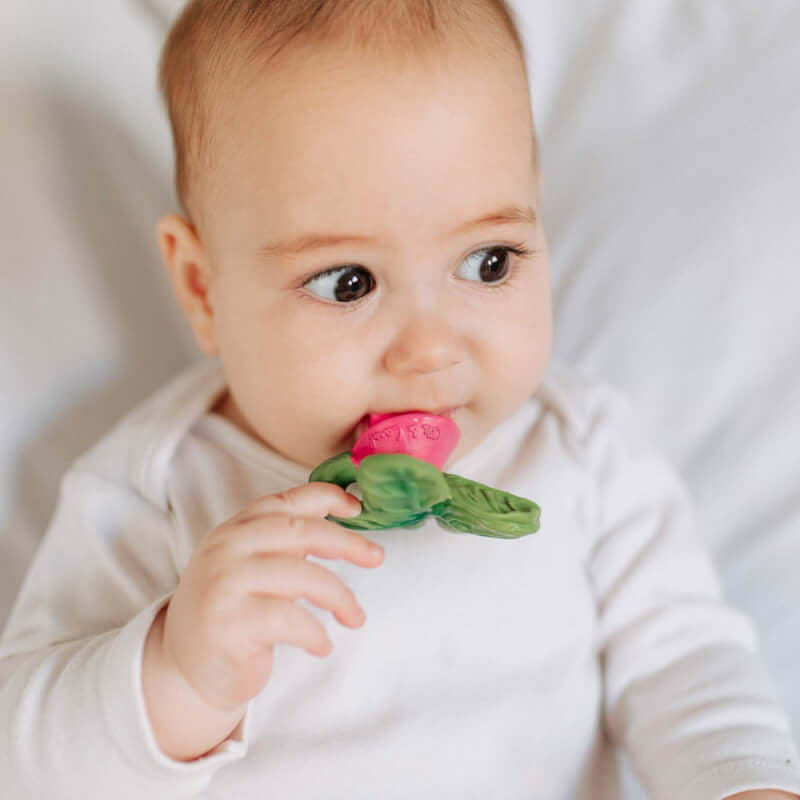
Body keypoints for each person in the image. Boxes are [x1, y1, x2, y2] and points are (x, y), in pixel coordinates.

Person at [1, 1, 799, 798]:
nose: (430, 349)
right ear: (203, 289)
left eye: (489, 262)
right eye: (348, 283)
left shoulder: (579, 449)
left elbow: (685, 662)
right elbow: (27, 762)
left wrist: (740, 783)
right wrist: (174, 674)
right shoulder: (156, 493)